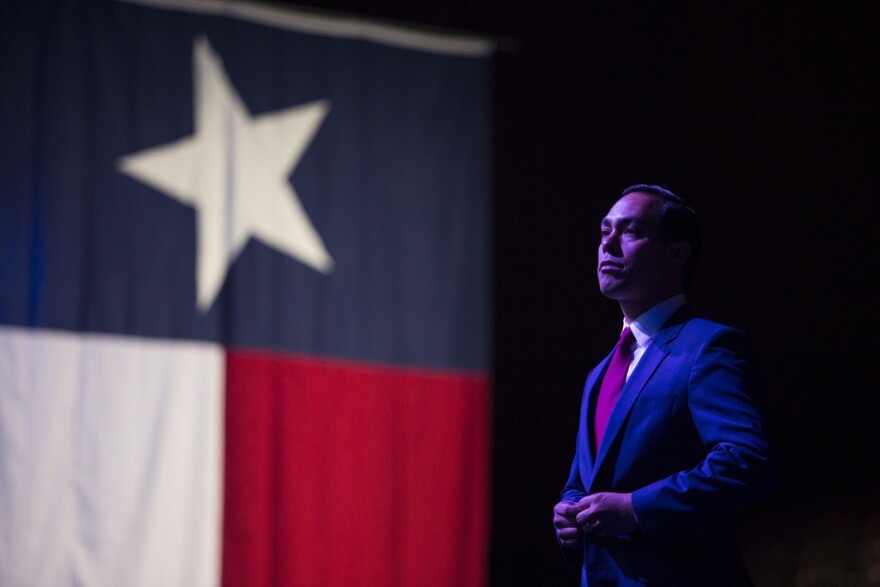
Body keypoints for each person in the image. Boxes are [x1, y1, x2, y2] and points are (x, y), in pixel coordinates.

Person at [553, 184, 774, 586]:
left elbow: (747, 461)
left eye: (630, 232)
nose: (609, 245)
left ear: (677, 253)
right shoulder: (599, 374)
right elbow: (585, 482)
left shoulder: (709, 346)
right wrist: (569, 512)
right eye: (604, 232)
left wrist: (637, 508)